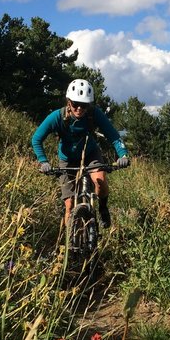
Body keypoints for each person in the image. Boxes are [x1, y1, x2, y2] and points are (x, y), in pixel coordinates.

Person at [32, 79, 130, 228]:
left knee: (100, 181)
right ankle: (68, 245)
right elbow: (36, 139)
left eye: (84, 105)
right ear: (68, 101)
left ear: (89, 105)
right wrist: (43, 161)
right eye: (75, 104)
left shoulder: (94, 114)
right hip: (67, 159)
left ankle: (103, 208)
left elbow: (114, 136)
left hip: (90, 154)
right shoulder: (57, 117)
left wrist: (123, 155)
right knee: (69, 205)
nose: (79, 108)